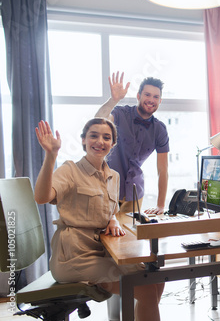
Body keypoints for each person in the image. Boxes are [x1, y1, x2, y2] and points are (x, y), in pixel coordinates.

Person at [34, 119, 164, 320]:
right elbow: (41, 197)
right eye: (93, 135)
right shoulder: (70, 170)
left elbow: (108, 208)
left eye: (106, 137)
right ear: (84, 140)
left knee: (155, 276)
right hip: (74, 257)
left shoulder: (114, 175)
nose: (100, 141)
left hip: (101, 252)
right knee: (146, 289)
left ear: (113, 144)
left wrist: (112, 219)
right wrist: (51, 156)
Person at [95, 72, 169, 214]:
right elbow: (98, 122)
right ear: (138, 96)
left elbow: (163, 170)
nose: (151, 100)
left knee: (131, 235)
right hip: (106, 190)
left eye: (156, 97)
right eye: (147, 94)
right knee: (104, 235)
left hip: (134, 195)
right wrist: (113, 100)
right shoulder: (120, 114)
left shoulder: (160, 130)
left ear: (160, 101)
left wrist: (160, 205)